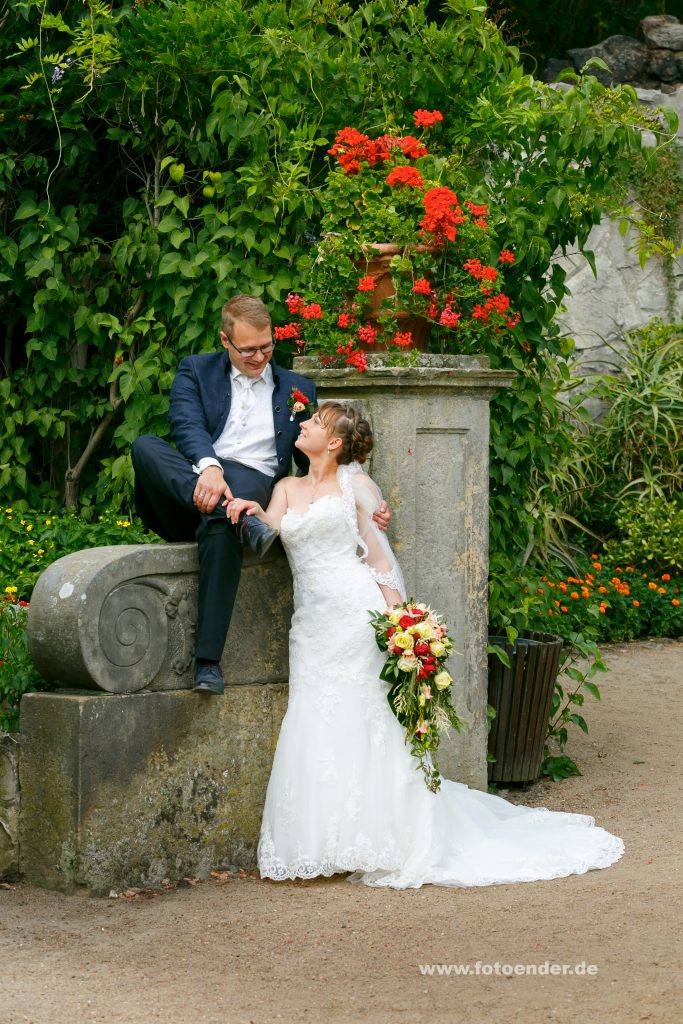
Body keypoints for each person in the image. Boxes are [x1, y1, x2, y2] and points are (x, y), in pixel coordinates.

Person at [227, 402, 625, 889]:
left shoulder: (356, 487)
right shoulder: (285, 489)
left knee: (365, 716)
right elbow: (266, 529)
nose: (302, 425)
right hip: (311, 623)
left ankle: (382, 838)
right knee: (315, 715)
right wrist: (245, 507)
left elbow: (378, 559)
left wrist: (404, 624)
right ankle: (322, 844)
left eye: (313, 422)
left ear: (333, 442)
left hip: (355, 614)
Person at [132, 295, 388, 695]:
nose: (259, 356)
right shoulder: (195, 371)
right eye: (248, 349)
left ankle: (208, 663)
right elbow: (185, 424)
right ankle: (232, 511)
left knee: (227, 517)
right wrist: (211, 468)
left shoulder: (298, 389)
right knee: (146, 446)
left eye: (267, 346)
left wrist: (364, 502)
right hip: (198, 482)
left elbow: (324, 456)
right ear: (225, 340)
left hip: (254, 484)